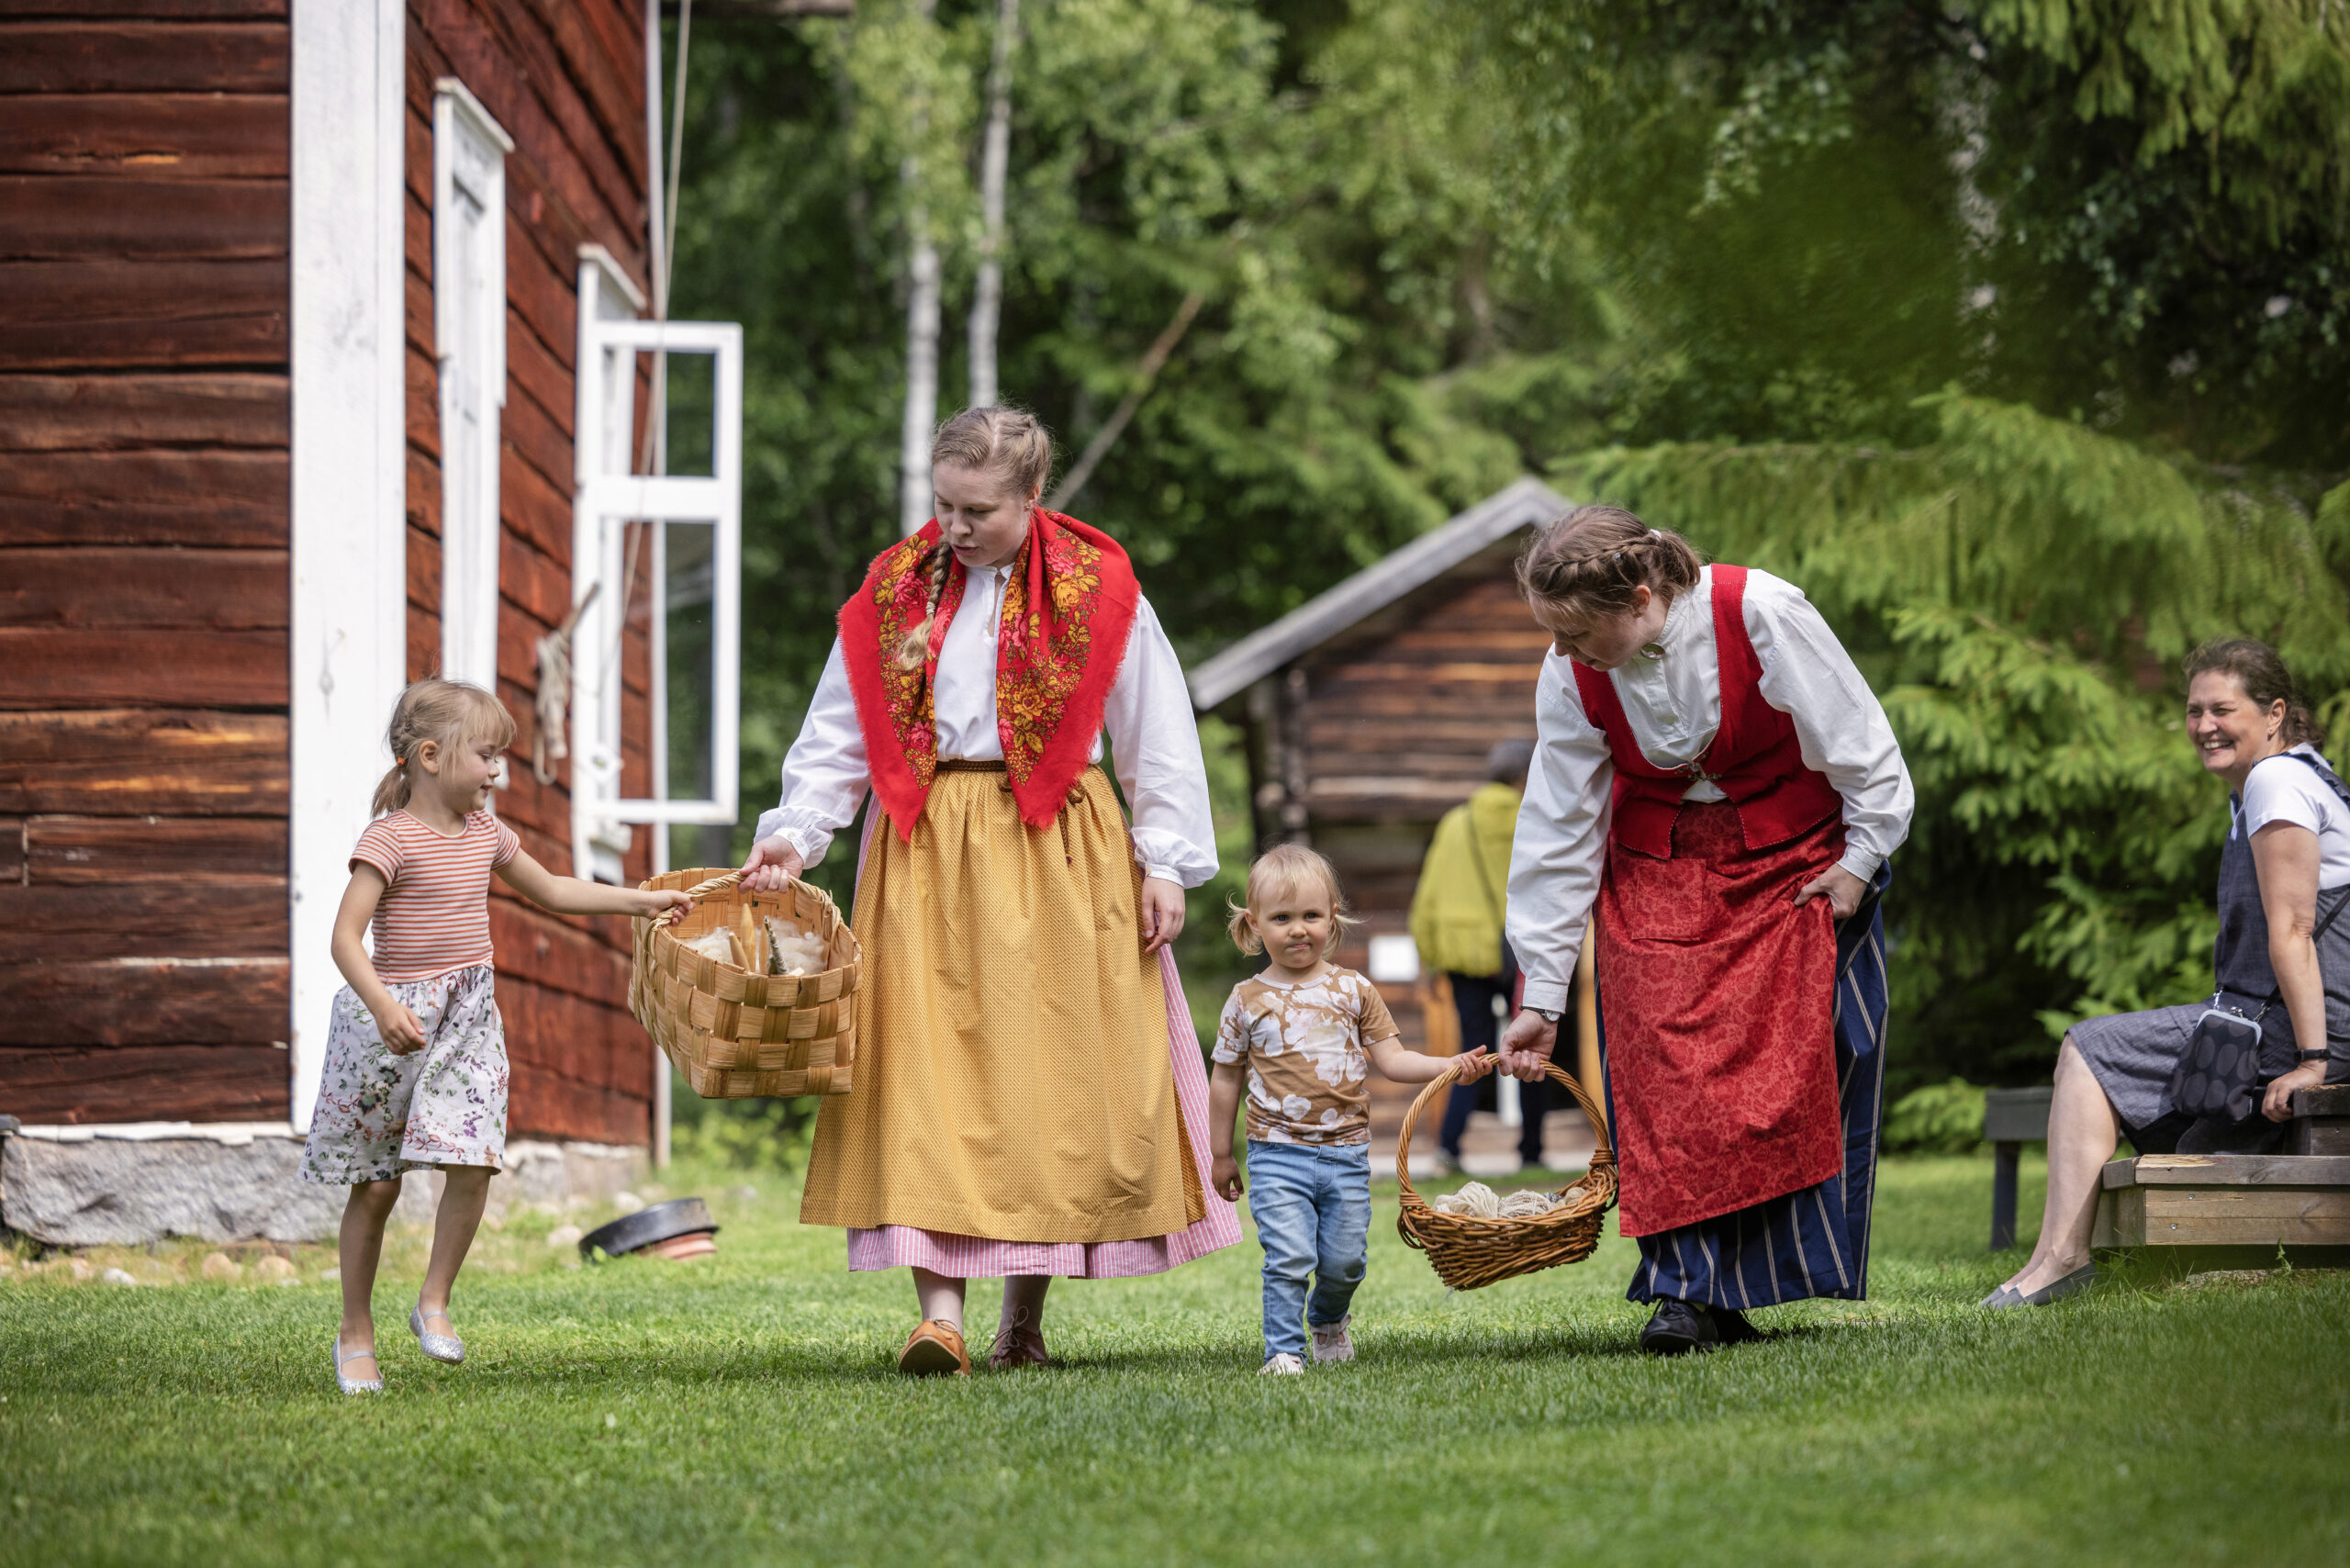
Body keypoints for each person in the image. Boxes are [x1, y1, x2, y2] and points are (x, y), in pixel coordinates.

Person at [739, 406, 1239, 1376]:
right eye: (945, 506)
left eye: (978, 510)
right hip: (927, 840)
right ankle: (941, 1319)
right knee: (924, 1073)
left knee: (1045, 1082)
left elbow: (1156, 731)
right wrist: (796, 834)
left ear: (1032, 496)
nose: (956, 528)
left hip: (1063, 845)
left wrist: (1166, 859)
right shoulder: (899, 588)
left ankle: (1022, 1319)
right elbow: (842, 724)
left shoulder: (1101, 589)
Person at [1493, 505, 1914, 1354]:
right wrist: (1540, 988)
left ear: (1642, 597)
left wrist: (1862, 860)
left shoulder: (1760, 610)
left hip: (1794, 861)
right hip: (1658, 868)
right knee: (1660, 1078)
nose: (1567, 653)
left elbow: (1861, 742)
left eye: (1579, 633)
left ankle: (1747, 1284)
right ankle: (1683, 1292)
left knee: (1798, 1064)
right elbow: (1559, 824)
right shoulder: (1569, 673)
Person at [302, 678, 689, 1394]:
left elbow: (553, 889)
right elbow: (344, 938)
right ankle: (355, 1333)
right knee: (377, 1186)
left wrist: (641, 900)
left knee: (476, 1158)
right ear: (429, 756)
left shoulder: (487, 834)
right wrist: (383, 1005)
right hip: (393, 1022)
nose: (496, 771)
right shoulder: (388, 840)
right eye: (485, 756)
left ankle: (434, 1301)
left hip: (468, 1020)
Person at [1992, 639, 2350, 1307]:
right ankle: (2051, 1255)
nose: (2204, 725)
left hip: (2303, 1024)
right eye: (2193, 711)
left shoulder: (2277, 781)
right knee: (2176, 1126)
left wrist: (2312, 1060)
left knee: (2089, 1049)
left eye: (2222, 708)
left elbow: (2296, 931)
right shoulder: (2284, 779)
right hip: (2279, 1015)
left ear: (2274, 713)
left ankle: (2062, 1260)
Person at [1210, 845, 1493, 1373]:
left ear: (1332, 917)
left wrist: (1448, 1065)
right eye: (1282, 918)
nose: (1299, 929)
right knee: (1289, 1257)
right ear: (1255, 924)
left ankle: (1328, 1318)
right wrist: (1221, 1154)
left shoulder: (1353, 989)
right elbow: (1225, 1077)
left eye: (1311, 916)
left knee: (1345, 1263)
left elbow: (1393, 1058)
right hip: (1277, 1155)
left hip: (1345, 1154)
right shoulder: (1245, 1000)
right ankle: (1283, 1351)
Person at [1410, 737, 1542, 1171]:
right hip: (1521, 951)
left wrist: (1428, 960)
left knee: (1473, 1049)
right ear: (1524, 777)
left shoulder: (1456, 824)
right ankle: (1532, 1152)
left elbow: (1427, 899)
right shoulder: (1534, 816)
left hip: (1463, 956)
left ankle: (1449, 1147)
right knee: (1530, 1047)